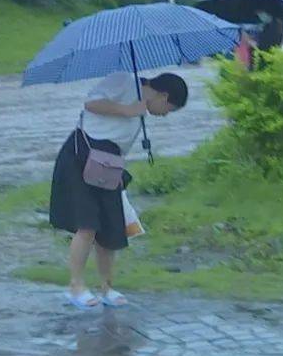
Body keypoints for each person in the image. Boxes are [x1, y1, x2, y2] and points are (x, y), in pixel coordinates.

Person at [49, 70, 189, 309]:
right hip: (83, 154)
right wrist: (127, 110)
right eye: (170, 108)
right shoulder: (124, 81)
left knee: (111, 226)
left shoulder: (142, 112)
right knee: (87, 225)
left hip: (109, 161)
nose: (166, 115)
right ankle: (76, 286)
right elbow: (91, 103)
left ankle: (106, 287)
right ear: (163, 96)